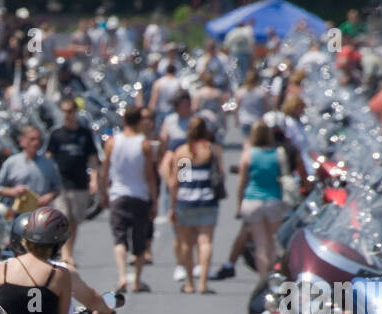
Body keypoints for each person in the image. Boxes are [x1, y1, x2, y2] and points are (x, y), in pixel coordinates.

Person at [101, 106, 157, 293]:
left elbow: (105, 170)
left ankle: (123, 276)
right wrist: (154, 200)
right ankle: (137, 280)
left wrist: (103, 193)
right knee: (138, 239)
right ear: (140, 121)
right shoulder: (144, 144)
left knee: (119, 239)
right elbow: (150, 175)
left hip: (118, 194)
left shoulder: (112, 142)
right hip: (139, 195)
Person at [168, 116, 224, 295]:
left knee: (186, 243)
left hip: (186, 200)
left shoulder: (182, 152)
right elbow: (220, 174)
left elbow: (178, 181)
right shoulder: (211, 150)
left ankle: (189, 283)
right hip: (207, 199)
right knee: (205, 241)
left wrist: (171, 206)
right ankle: (203, 283)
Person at [46, 97, 97, 266]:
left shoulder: (84, 134)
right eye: (65, 111)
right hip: (61, 184)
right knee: (63, 218)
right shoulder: (56, 134)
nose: (68, 115)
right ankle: (64, 253)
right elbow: (49, 158)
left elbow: (92, 158)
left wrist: (94, 180)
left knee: (75, 220)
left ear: (75, 112)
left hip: (79, 183)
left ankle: (69, 251)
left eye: (70, 111)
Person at [237, 120, 292, 275]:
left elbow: (242, 182)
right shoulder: (277, 153)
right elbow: (285, 176)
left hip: (252, 199)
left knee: (260, 244)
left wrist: (239, 204)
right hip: (273, 199)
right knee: (274, 243)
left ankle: (263, 278)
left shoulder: (249, 154)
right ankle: (274, 276)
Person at [0, 126, 62, 212]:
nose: (36, 143)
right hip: (17, 213)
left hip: (40, 213)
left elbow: (57, 188)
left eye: (38, 139)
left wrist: (50, 196)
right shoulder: (11, 163)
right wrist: (13, 191)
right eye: (32, 139)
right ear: (22, 141)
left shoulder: (48, 164)